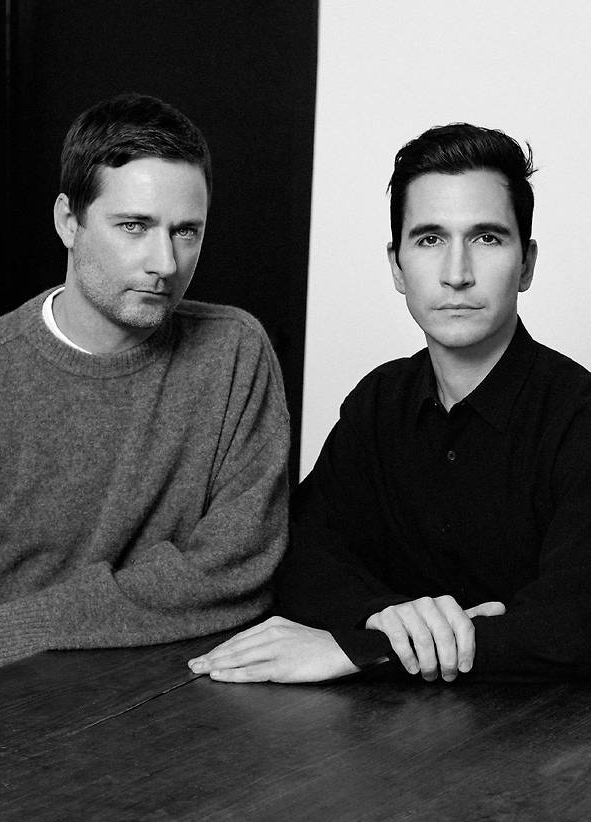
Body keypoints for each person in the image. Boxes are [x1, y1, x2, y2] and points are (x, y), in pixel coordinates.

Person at [189, 123, 591, 684]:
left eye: (486, 238)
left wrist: (366, 649)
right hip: (384, 727)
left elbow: (574, 626)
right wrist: (387, 616)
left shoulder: (579, 417)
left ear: (526, 263)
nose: (457, 274)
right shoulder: (379, 402)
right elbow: (300, 553)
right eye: (429, 240)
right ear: (397, 266)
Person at [0, 92, 289, 689]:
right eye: (134, 226)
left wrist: (36, 624)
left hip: (190, 703)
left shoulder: (234, 351)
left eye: (186, 232)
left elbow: (242, 568)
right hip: (11, 717)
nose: (165, 262)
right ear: (68, 222)